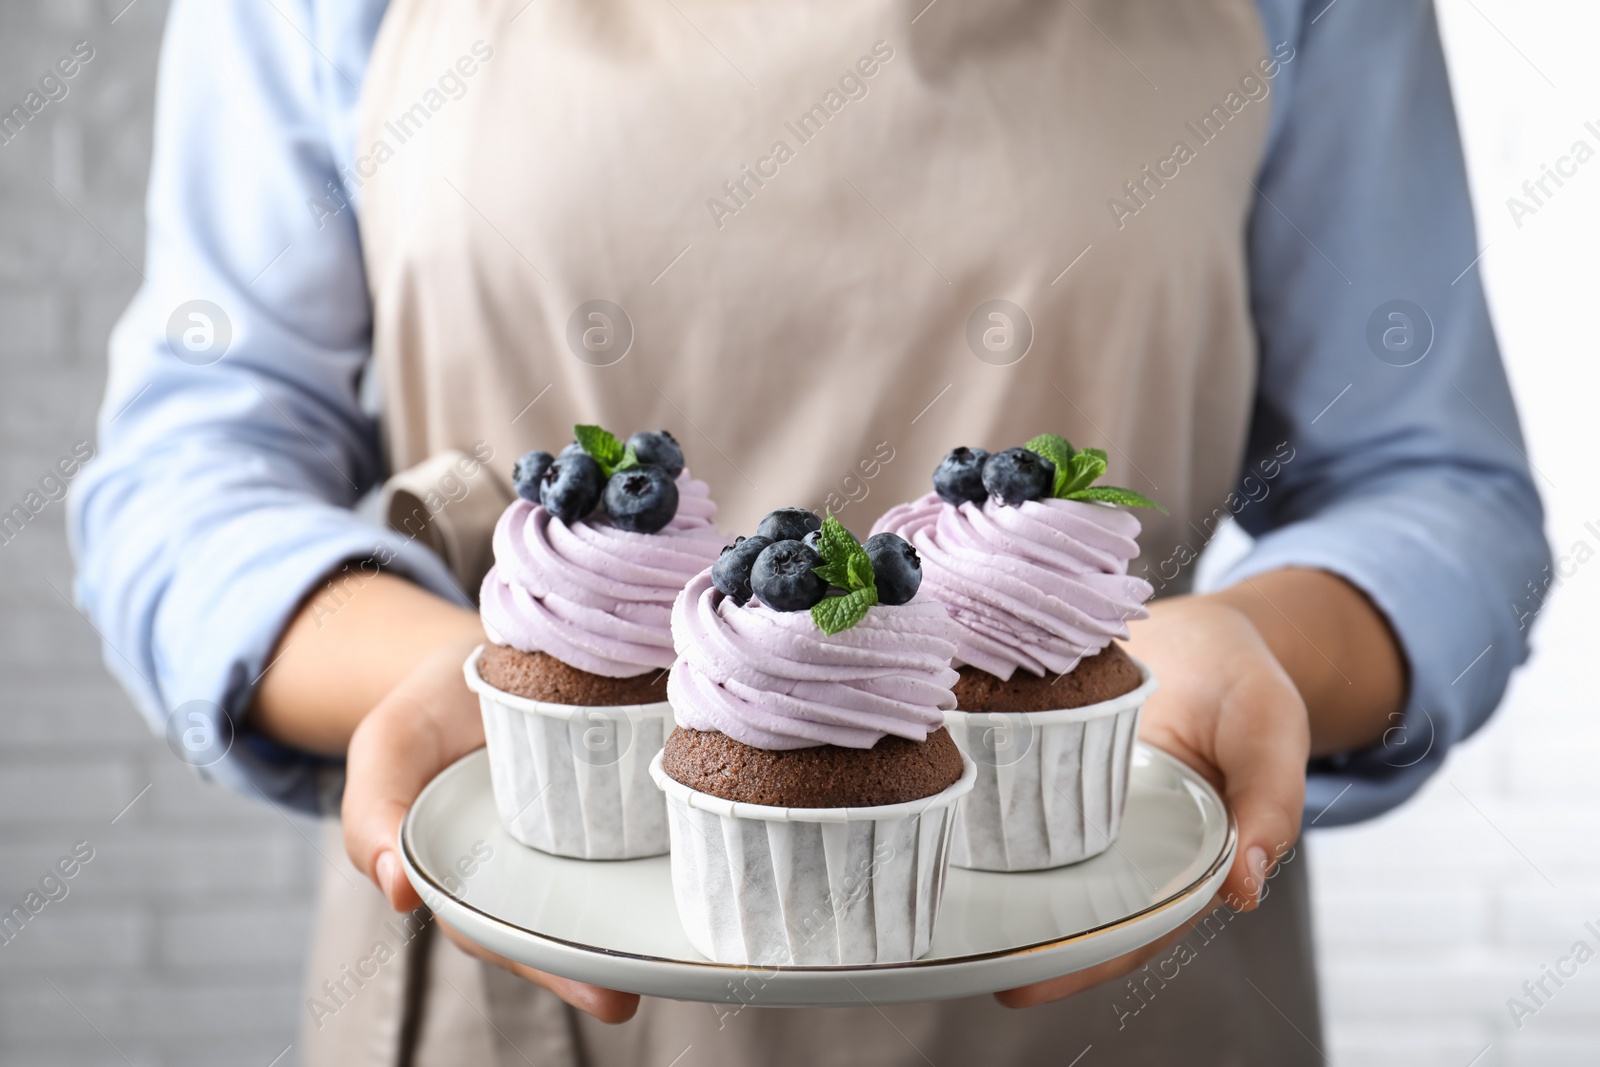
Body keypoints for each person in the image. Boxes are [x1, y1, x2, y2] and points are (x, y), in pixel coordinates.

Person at [70, 0, 1549, 1063]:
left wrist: (1249, 645)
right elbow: (192, 466)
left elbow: (1438, 480)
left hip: (1120, 974)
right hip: (514, 966)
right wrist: (436, 675)